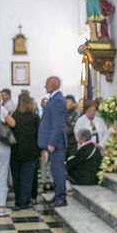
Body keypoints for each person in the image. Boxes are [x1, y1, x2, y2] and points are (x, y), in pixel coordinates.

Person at [38, 76, 68, 207]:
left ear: (55, 84)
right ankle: (57, 195)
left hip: (57, 144)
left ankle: (61, 198)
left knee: (58, 171)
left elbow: (57, 124)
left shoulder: (58, 100)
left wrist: (52, 142)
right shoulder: (53, 99)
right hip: (54, 142)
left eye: (47, 84)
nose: (45, 86)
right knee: (54, 171)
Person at [10, 91, 41, 211]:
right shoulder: (34, 117)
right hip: (31, 152)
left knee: (16, 178)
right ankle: (24, 202)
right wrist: (41, 150)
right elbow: (39, 135)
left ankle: (18, 202)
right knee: (27, 178)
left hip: (15, 151)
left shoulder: (14, 116)